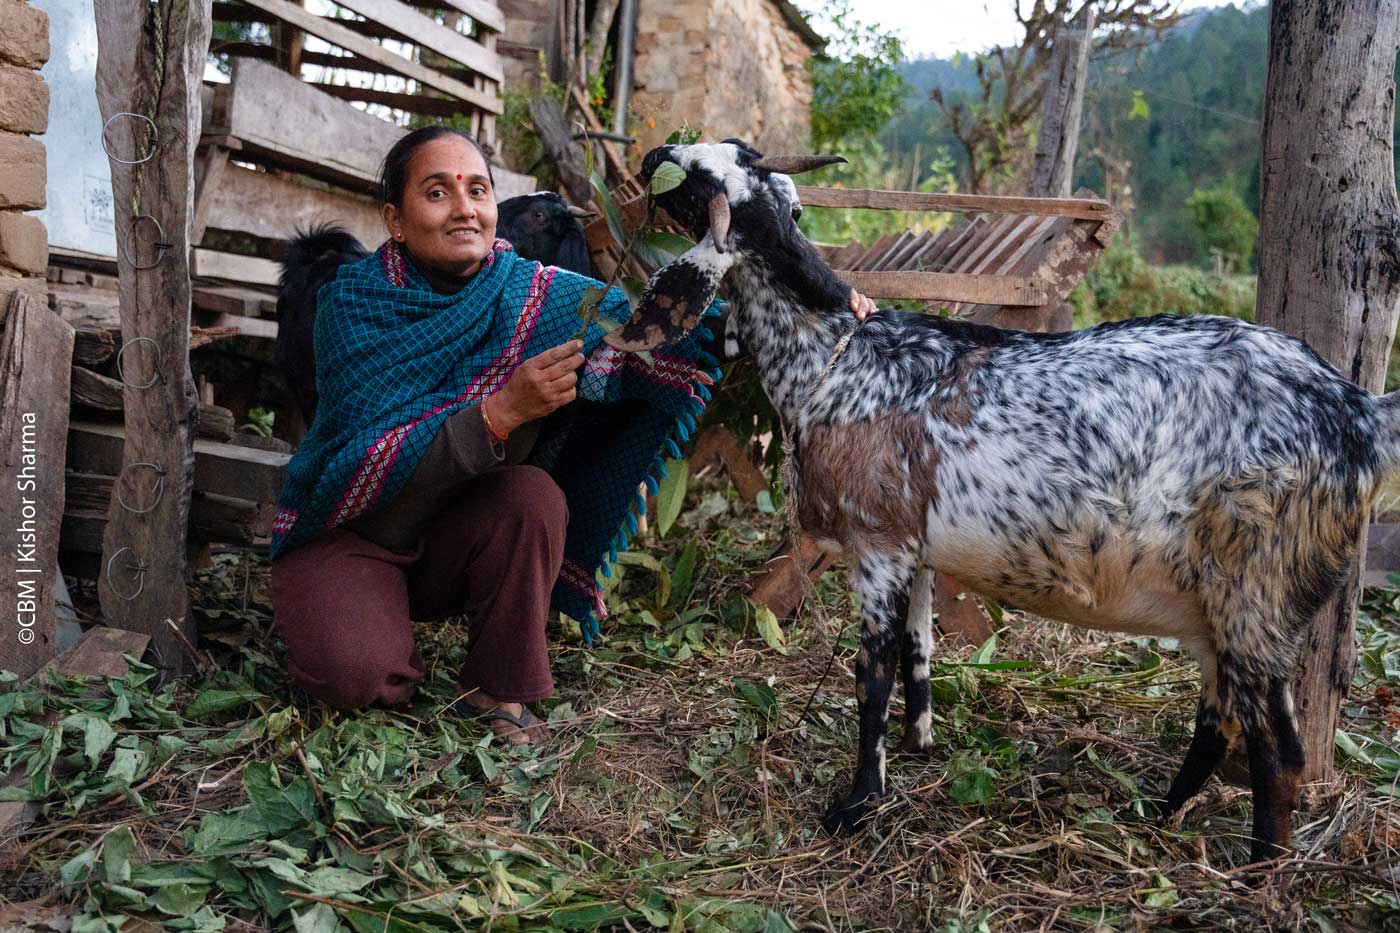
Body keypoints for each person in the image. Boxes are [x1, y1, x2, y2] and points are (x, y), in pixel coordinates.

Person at [268, 126, 876, 744]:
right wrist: (500, 414)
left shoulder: (533, 294)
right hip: (355, 533)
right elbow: (363, 463)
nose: (464, 208)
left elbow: (657, 330)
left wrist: (820, 306)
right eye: (437, 193)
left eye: (477, 190)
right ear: (396, 220)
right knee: (358, 679)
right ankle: (358, 618)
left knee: (532, 498)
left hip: (454, 535)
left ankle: (496, 688)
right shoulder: (354, 308)